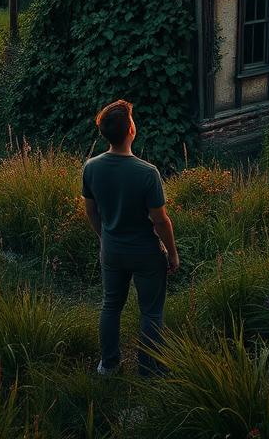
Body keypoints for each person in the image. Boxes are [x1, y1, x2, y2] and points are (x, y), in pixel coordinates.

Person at [82, 99, 179, 377]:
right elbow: (160, 220)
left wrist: (106, 237)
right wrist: (172, 253)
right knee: (150, 313)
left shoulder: (91, 167)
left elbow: (91, 211)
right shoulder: (147, 173)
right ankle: (149, 371)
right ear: (131, 131)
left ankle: (109, 365)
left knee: (111, 305)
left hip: (112, 250)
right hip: (146, 253)